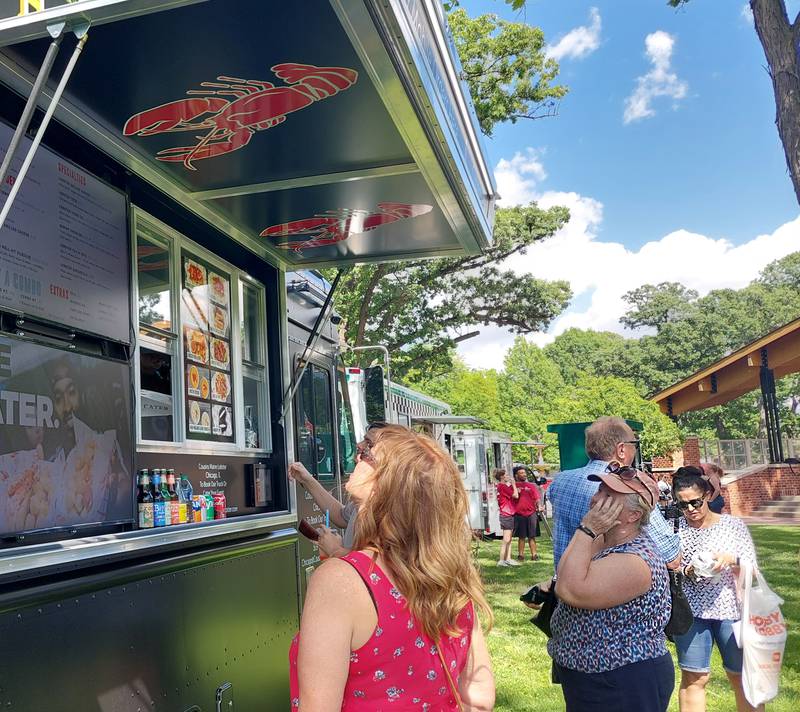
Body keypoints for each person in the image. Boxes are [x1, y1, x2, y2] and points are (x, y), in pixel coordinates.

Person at [289, 425, 495, 711]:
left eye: (368, 453)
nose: (359, 455)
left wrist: (337, 552)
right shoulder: (454, 579)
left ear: (387, 485)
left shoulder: (338, 581)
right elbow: (480, 698)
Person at [546, 466, 673, 712]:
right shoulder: (604, 540)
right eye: (599, 490)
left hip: (622, 681)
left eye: (608, 497)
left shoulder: (636, 559)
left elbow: (570, 589)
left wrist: (587, 528)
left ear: (633, 515)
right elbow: (567, 574)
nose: (596, 499)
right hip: (591, 677)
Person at [671, 466, 762, 712]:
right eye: (683, 505)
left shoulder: (732, 526)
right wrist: (687, 571)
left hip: (731, 611)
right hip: (691, 613)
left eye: (695, 502)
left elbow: (753, 569)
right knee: (694, 678)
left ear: (708, 497)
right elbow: (668, 566)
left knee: (741, 676)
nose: (690, 510)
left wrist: (730, 559)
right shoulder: (676, 529)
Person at [547, 417, 681, 570]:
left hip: (563, 581)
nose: (635, 449)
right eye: (634, 444)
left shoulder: (560, 480)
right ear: (621, 450)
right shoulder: (629, 487)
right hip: (608, 586)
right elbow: (671, 557)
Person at [288, 422, 385, 558]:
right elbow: (341, 515)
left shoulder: (390, 511)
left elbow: (379, 567)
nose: (358, 448)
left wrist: (335, 550)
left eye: (368, 446)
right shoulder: (362, 502)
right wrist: (307, 479)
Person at [512, 465, 541, 562]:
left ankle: (534, 555)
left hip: (531, 513)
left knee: (532, 536)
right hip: (519, 514)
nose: (524, 475)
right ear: (516, 475)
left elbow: (537, 498)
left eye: (524, 473)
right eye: (521, 473)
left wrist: (539, 506)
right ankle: (521, 555)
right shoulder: (514, 486)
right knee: (521, 536)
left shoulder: (531, 485)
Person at [493, 468, 520, 567]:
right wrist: (513, 484)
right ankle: (501, 560)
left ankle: (508, 558)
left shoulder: (502, 486)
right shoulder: (503, 486)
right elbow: (516, 496)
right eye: (506, 474)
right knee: (506, 539)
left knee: (509, 539)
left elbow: (513, 494)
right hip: (506, 514)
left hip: (509, 513)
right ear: (502, 477)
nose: (508, 476)